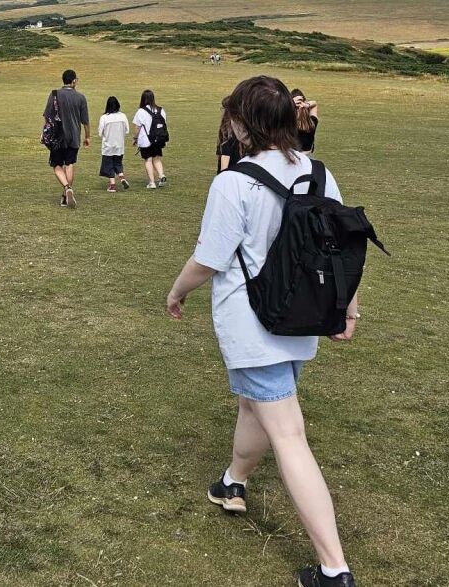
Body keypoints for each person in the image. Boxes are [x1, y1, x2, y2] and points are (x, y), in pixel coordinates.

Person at [166, 76, 359, 587]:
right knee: (254, 404)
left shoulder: (234, 183)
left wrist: (176, 292)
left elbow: (208, 259)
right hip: (301, 320)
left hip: (254, 327)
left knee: (288, 434)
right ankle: (233, 482)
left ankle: (333, 568)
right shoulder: (319, 173)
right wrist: (348, 309)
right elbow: (341, 250)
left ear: (241, 123)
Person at [43, 69, 90, 208]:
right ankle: (65, 196)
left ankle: (67, 188)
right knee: (69, 164)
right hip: (74, 136)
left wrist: (44, 132)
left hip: (57, 137)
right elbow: (85, 121)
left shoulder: (54, 95)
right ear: (74, 81)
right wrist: (87, 137)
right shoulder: (80, 97)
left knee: (57, 165)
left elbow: (47, 116)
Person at [132, 89, 168, 189]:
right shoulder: (160, 110)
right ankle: (161, 175)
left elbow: (137, 127)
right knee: (157, 158)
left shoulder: (141, 111)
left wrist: (135, 138)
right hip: (158, 139)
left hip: (146, 140)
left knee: (148, 160)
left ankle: (152, 182)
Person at [97, 96, 130, 193]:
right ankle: (121, 176)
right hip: (119, 145)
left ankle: (112, 185)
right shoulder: (123, 116)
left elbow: (100, 132)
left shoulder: (104, 118)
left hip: (108, 145)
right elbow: (127, 130)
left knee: (109, 165)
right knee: (118, 162)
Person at [292, 89, 320, 154]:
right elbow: (314, 104)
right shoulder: (312, 122)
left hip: (291, 156)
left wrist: (291, 102)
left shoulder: (287, 122)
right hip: (307, 157)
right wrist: (306, 105)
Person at [216, 109, 243, 173]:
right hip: (239, 170)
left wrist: (223, 175)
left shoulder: (226, 131)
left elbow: (225, 155)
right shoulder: (244, 133)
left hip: (233, 171)